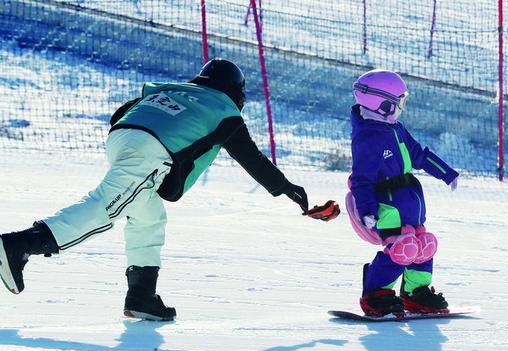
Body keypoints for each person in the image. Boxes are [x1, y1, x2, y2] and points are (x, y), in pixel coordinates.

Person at [0, 58, 310, 321]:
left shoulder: (177, 90)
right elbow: (250, 158)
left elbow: (121, 112)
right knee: (104, 207)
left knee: (148, 216)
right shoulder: (224, 109)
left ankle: (141, 298)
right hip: (151, 150)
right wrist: (286, 188)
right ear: (235, 91)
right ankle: (20, 245)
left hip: (123, 136)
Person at [348, 69, 459, 317]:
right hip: (387, 207)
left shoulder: (395, 128)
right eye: (399, 101)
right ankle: (376, 294)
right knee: (401, 248)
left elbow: (418, 154)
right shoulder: (367, 137)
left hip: (410, 203)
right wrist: (367, 211)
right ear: (384, 105)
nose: (401, 107)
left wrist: (446, 173)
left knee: (423, 245)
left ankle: (415, 292)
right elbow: (361, 180)